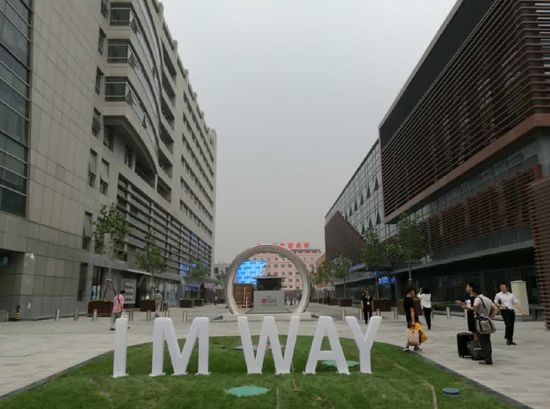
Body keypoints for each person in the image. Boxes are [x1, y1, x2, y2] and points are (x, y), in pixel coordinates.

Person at [472, 284, 498, 365]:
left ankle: (487, 359)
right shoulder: (487, 299)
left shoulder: (477, 299)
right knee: (487, 340)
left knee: (483, 340)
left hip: (481, 321)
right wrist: (491, 318)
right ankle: (488, 357)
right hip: (487, 320)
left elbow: (475, 305)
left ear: (474, 292)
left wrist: (476, 313)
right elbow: (495, 308)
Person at [403, 287, 421, 352]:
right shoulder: (410, 300)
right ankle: (414, 347)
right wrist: (413, 321)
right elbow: (412, 311)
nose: (414, 293)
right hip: (413, 319)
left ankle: (408, 347)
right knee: (416, 332)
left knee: (411, 332)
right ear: (411, 291)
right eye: (414, 292)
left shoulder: (405, 299)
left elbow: (406, 310)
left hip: (408, 318)